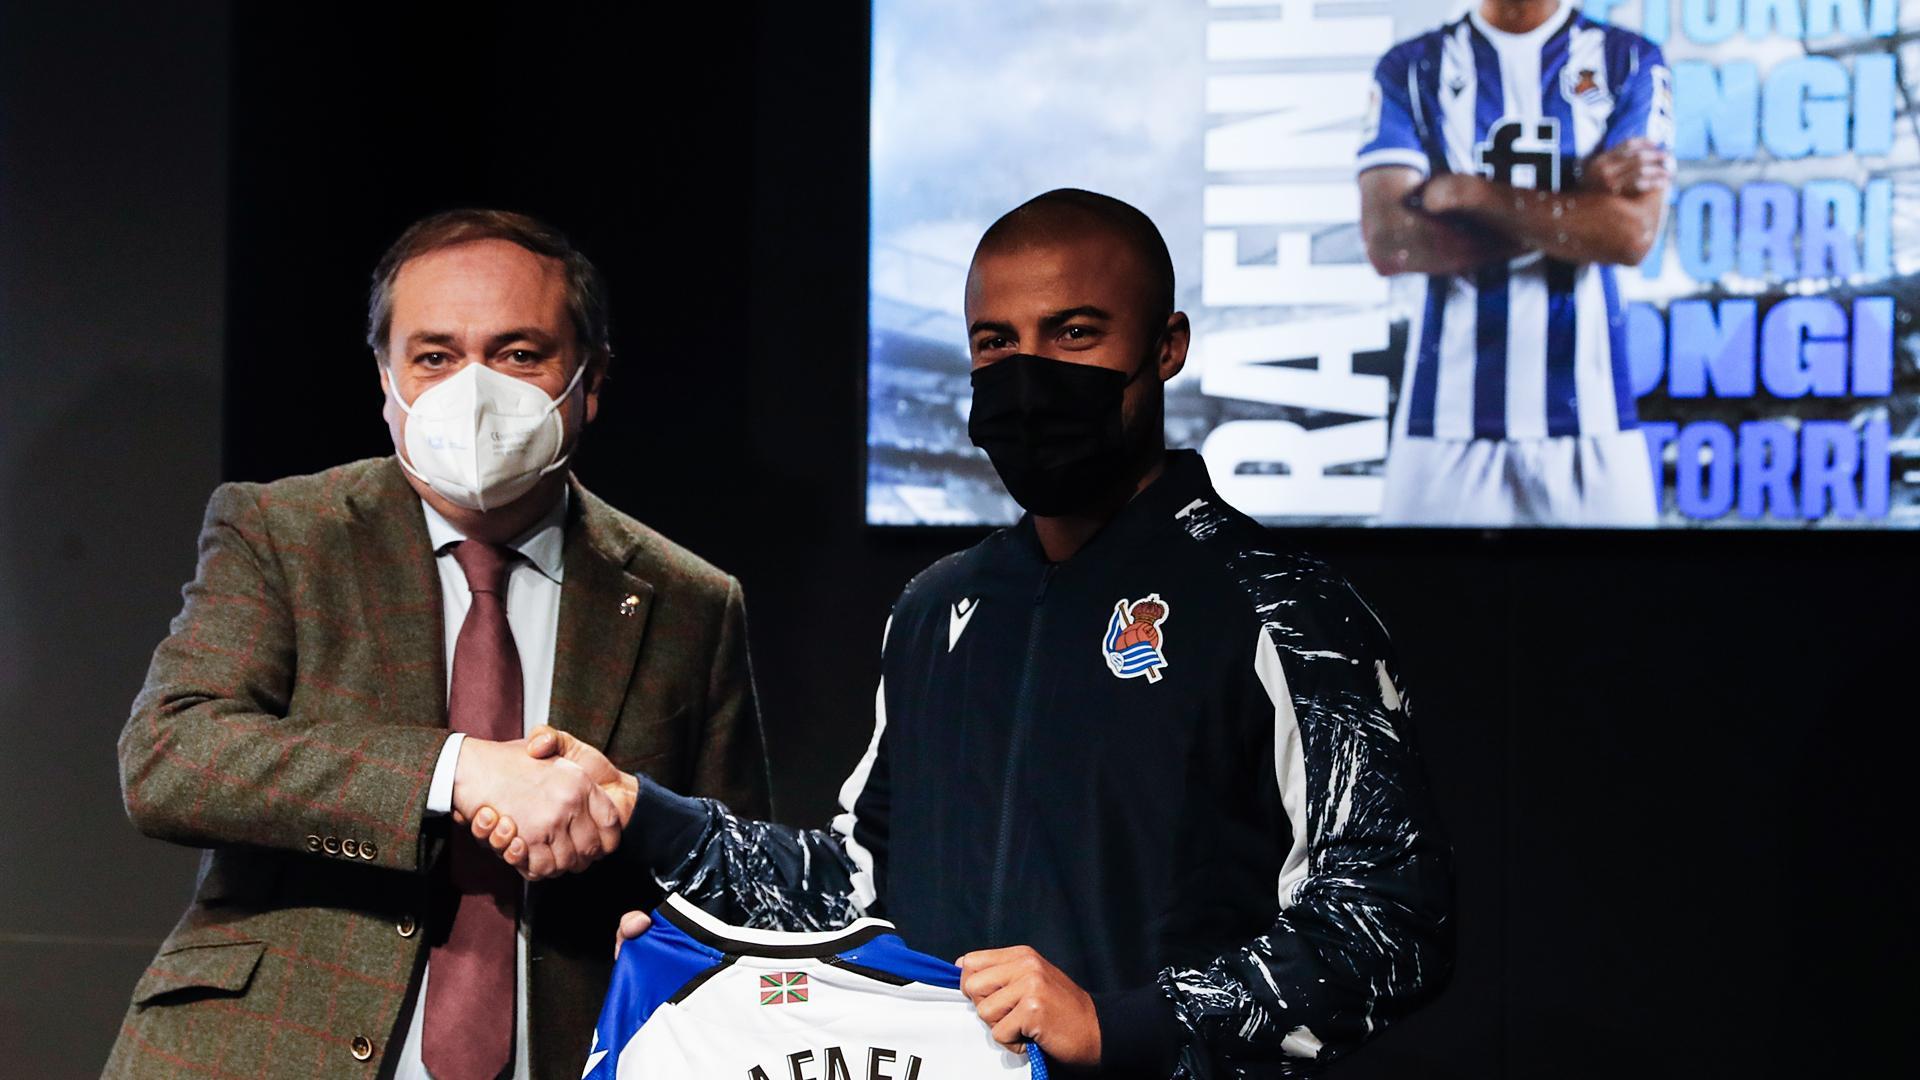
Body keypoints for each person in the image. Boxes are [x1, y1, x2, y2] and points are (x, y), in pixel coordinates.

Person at [482, 190, 1454, 1077]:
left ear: (1167, 347)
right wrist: (644, 816)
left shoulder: (1282, 604)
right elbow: (857, 886)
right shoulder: (936, 607)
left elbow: (1391, 922)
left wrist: (1122, 1023)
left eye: (1073, 333)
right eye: (996, 343)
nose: (1028, 374)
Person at [106, 209, 770, 1080]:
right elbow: (170, 757)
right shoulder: (283, 531)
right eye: (435, 356)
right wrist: (455, 772)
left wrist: (628, 830)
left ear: (591, 379)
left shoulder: (689, 599)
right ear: (386, 380)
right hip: (267, 1051)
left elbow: (738, 869)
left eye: (519, 353)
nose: (475, 387)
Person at [1358, 0, 1674, 526]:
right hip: (1442, 427)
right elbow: (1392, 242)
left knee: (1618, 608)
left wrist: (1468, 195)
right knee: (1411, 608)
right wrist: (1580, 202)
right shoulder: (1411, 68)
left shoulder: (1627, 60)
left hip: (1593, 425)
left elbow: (1628, 236)